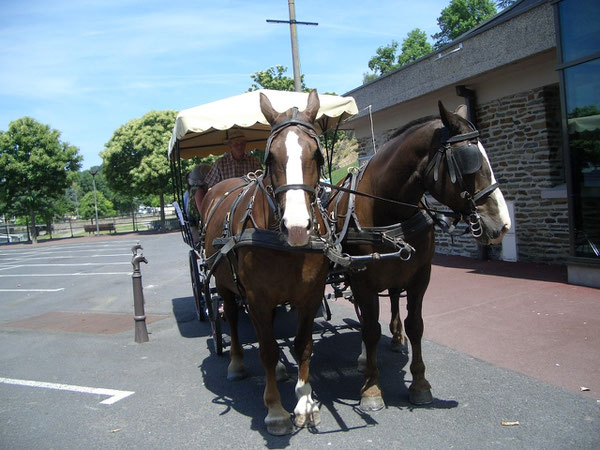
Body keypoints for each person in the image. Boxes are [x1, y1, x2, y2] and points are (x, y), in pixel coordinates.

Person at [186, 163, 211, 243]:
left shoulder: (194, 189)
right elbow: (203, 213)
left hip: (198, 227)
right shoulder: (199, 191)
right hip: (198, 230)